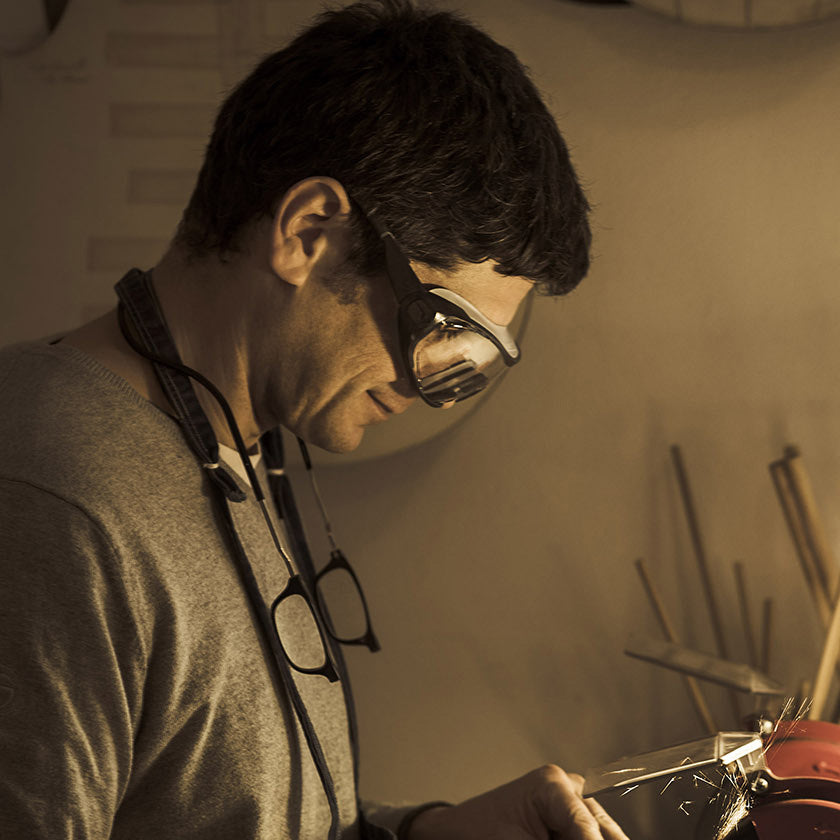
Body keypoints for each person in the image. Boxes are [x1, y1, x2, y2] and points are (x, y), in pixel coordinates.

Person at [0, 1, 628, 838]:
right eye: (445, 333)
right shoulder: (54, 502)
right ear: (309, 232)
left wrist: (434, 835)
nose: (433, 387)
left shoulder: (242, 450)